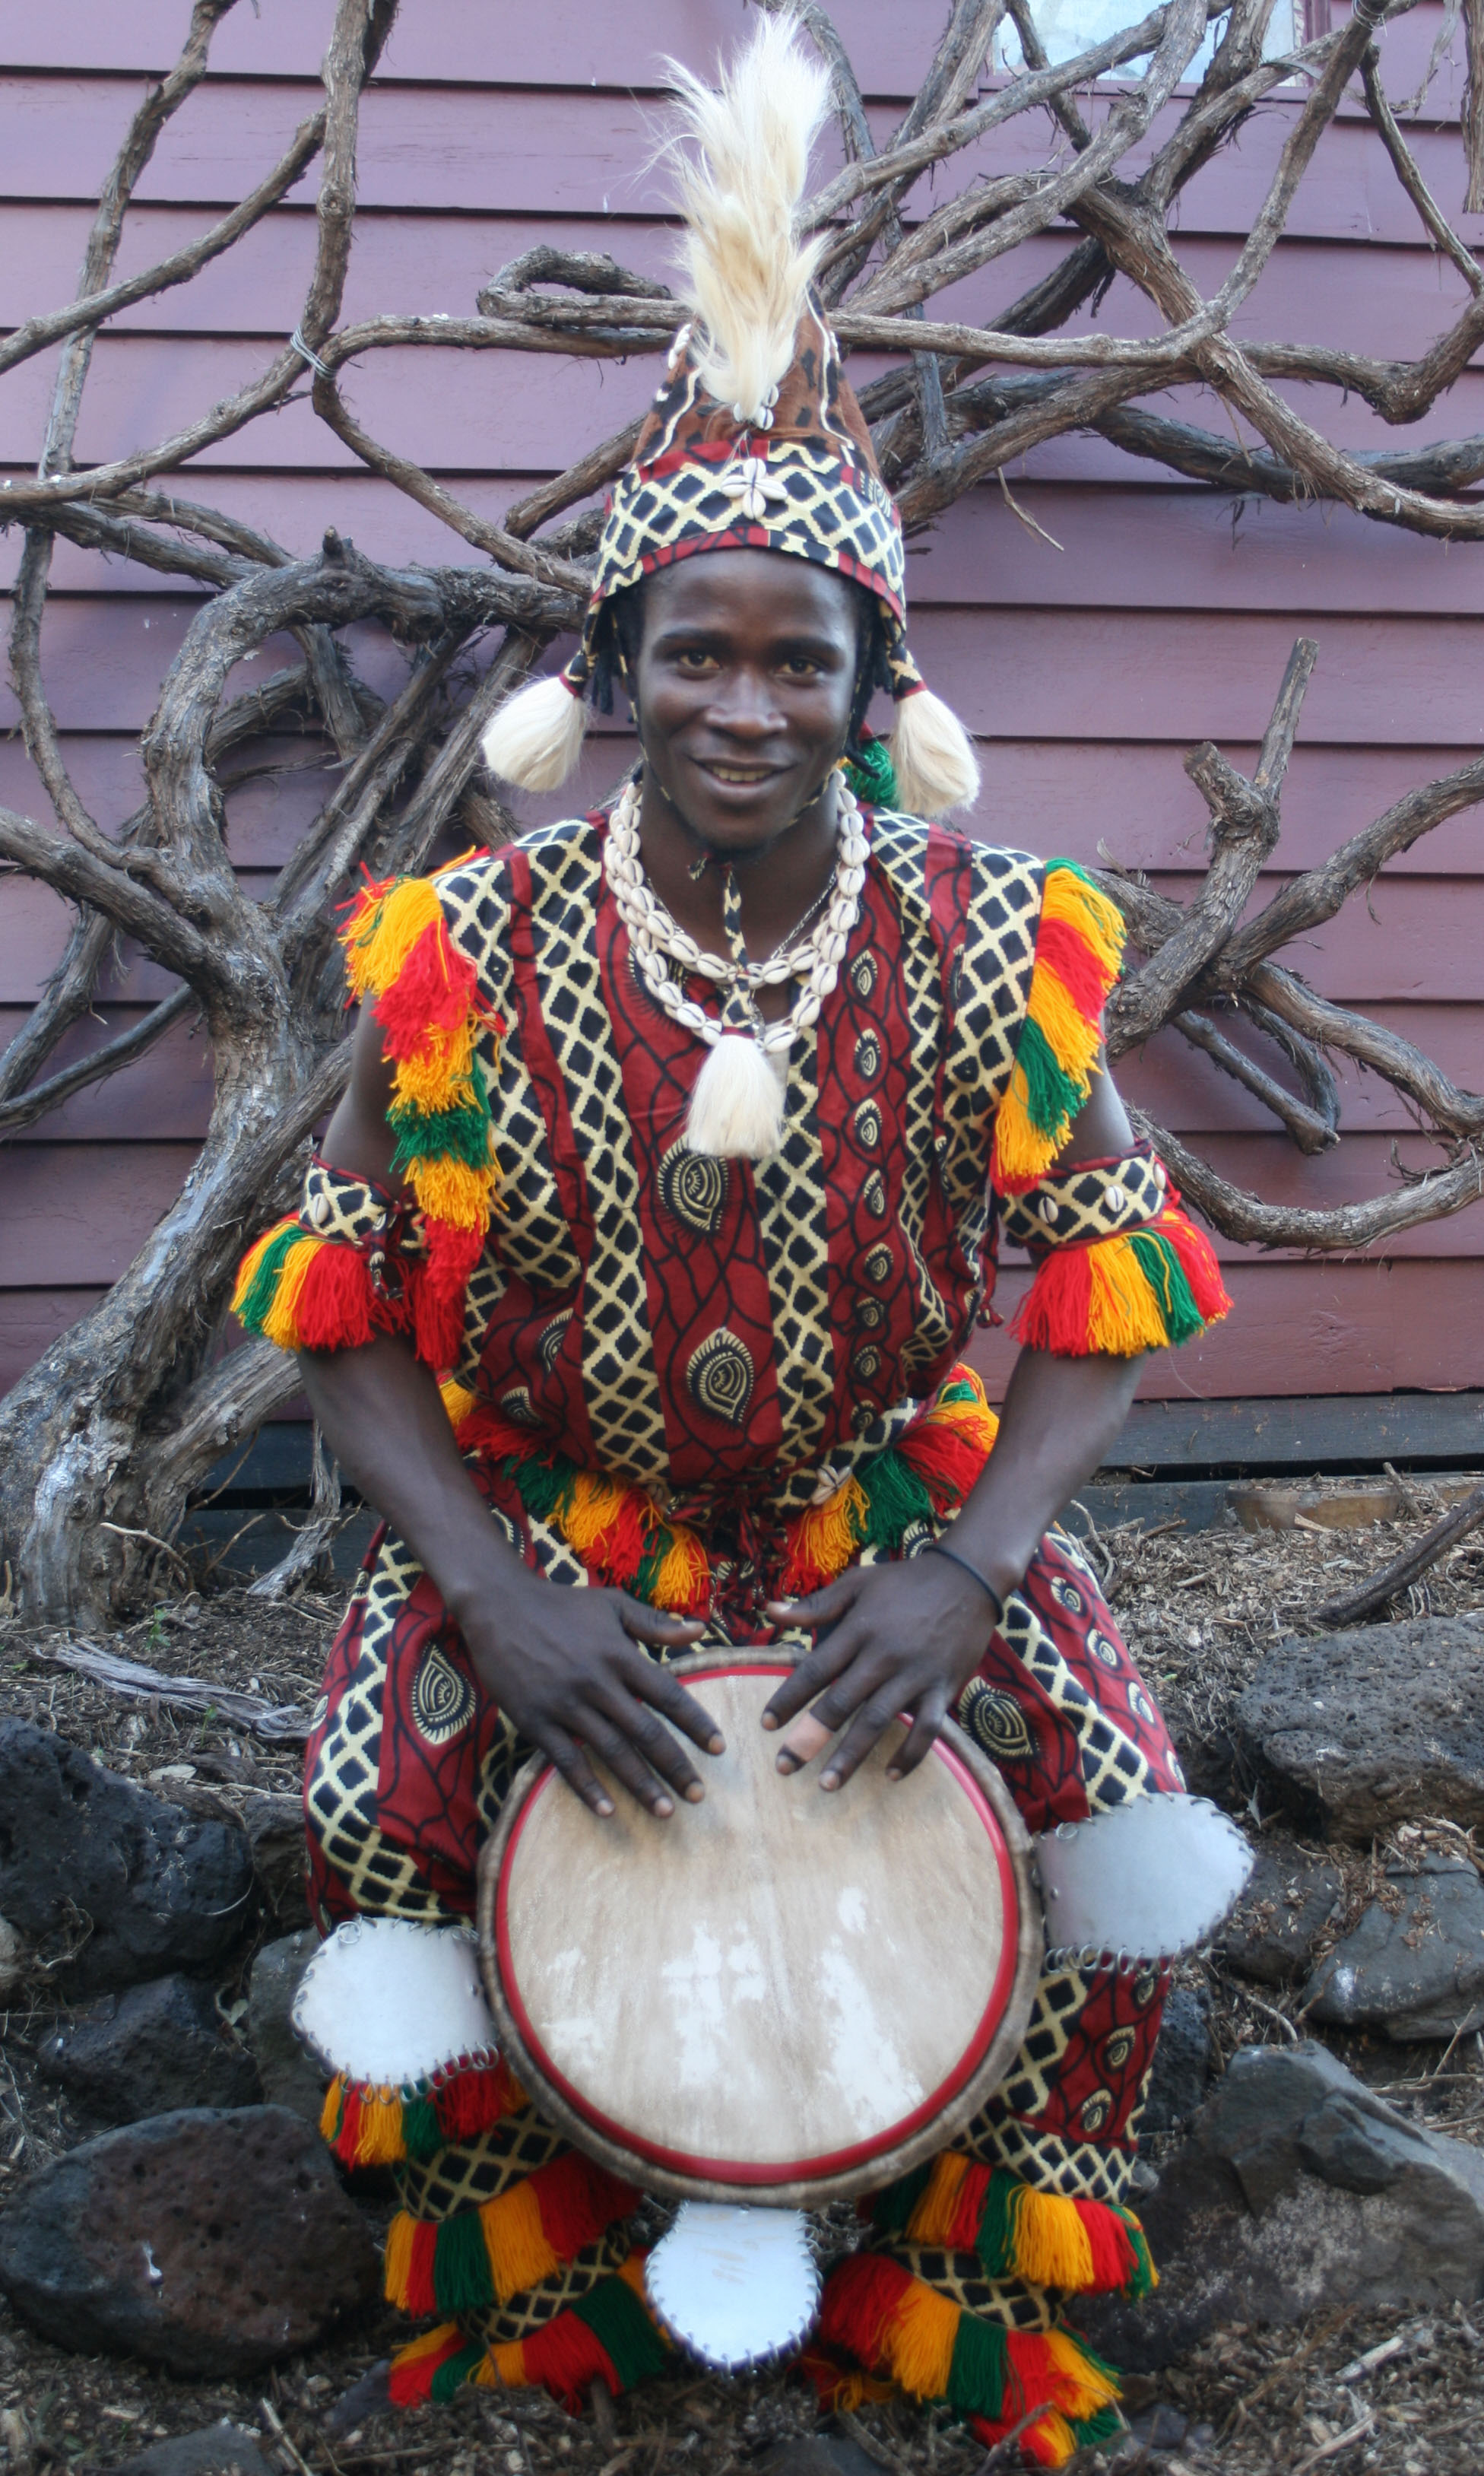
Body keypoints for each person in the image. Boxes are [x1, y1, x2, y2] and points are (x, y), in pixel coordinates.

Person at [233, 21, 1229, 2467]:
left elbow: (1115, 1275)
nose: (752, 704)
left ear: (887, 687)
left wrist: (976, 1574)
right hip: (552, 1530)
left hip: (890, 1515)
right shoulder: (455, 949)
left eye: (809, 658)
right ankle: (541, 2286)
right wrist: (487, 1596)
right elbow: (339, 1303)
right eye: (702, 650)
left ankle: (950, 2290)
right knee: (380, 1806)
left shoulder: (1008, 944)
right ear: (613, 676)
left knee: (1111, 1771)